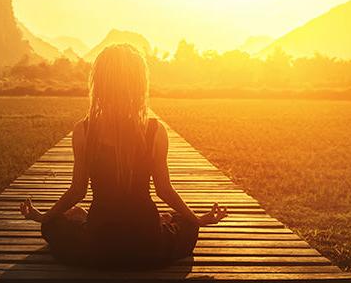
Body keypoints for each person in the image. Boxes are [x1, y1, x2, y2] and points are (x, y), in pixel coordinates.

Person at [19, 44, 227, 269]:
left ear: (99, 84)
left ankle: (82, 217)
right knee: (186, 225)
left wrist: (44, 217)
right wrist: (195, 219)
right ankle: (161, 220)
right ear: (139, 85)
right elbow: (164, 191)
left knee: (52, 226)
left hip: (99, 243)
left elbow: (77, 191)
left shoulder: (84, 131)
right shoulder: (154, 131)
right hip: (147, 243)